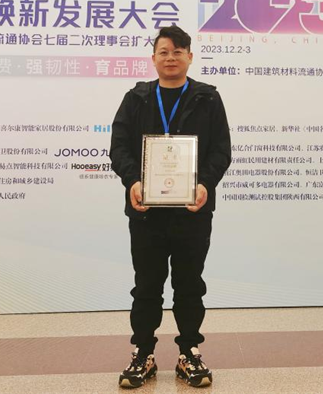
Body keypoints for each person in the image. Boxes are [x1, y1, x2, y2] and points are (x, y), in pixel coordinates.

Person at [110, 25, 231, 388]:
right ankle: (143, 354)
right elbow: (119, 147)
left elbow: (221, 150)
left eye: (178, 51)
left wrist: (203, 184)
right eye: (164, 52)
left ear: (190, 57)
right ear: (153, 58)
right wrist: (133, 181)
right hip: (146, 213)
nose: (171, 58)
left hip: (192, 212)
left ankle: (189, 352)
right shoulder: (137, 98)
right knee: (146, 286)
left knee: (190, 285)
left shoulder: (208, 98)